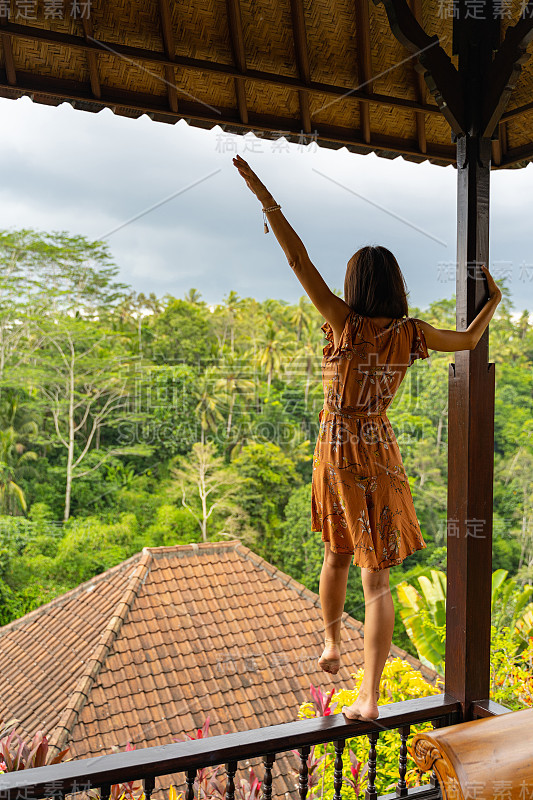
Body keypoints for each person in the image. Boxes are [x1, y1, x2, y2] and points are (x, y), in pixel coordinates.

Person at [232, 153, 502, 721]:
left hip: (335, 448)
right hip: (377, 451)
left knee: (335, 555)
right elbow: (469, 341)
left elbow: (297, 258)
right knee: (376, 577)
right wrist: (493, 303)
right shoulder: (411, 334)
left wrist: (267, 200)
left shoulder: (342, 322)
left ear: (355, 283)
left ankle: (331, 644)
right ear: (396, 286)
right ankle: (370, 695)